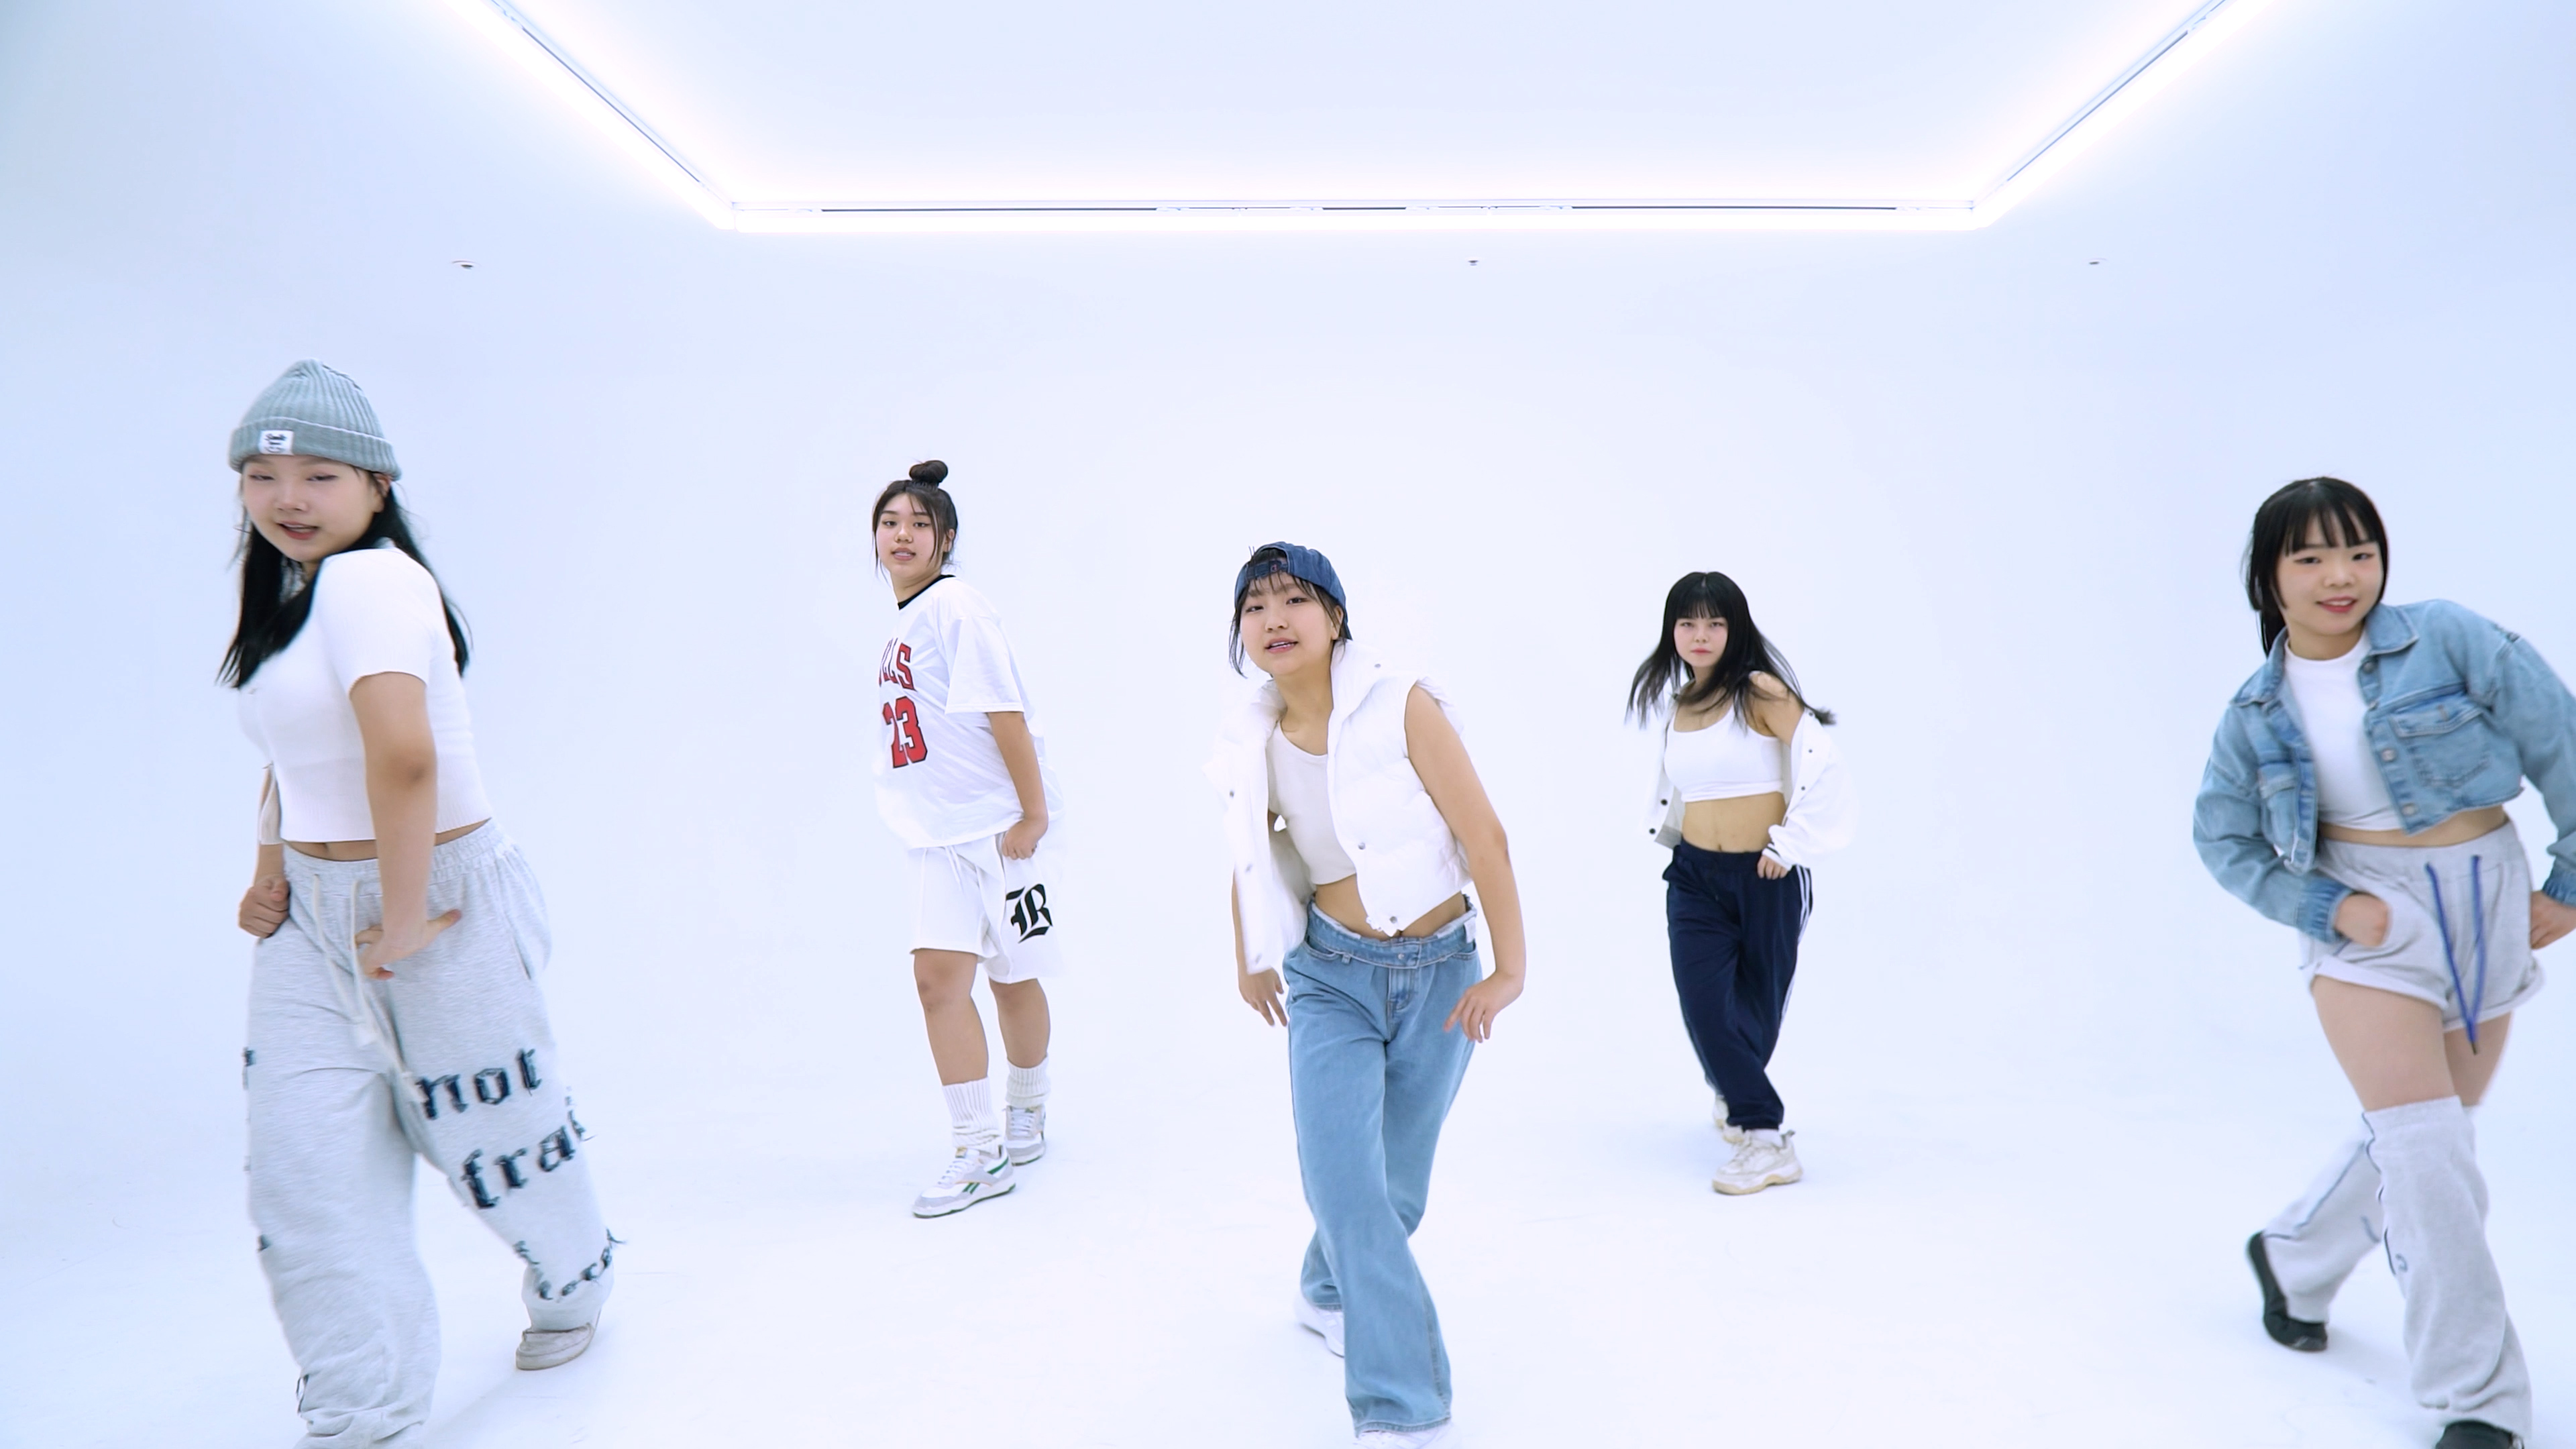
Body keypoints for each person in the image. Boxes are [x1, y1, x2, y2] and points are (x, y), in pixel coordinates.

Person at [227, 361, 616, 1448]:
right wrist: (268, 867)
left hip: (436, 895)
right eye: (263, 476)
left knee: (498, 1147)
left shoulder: (372, 584)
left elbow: (404, 762)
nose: (287, 499)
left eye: (320, 476)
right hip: (311, 917)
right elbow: (290, 756)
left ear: (377, 486)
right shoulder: (295, 595)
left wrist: (401, 920)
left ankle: (575, 1278)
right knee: (306, 1173)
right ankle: (360, 1411)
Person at [2194, 477, 2576, 1449]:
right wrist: (2325, 907)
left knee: (2430, 1143)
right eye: (2312, 557)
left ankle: (2293, 1259)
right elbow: (2223, 840)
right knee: (2428, 1152)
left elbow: (2563, 743)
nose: (2342, 576)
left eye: (2360, 552)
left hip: (2487, 894)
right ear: (2268, 576)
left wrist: (2570, 882)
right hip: (2369, 920)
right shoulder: (2255, 712)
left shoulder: (2448, 638)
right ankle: (2478, 1399)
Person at [1210, 543, 1526, 1449]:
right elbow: (1244, 851)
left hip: (1440, 976)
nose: (1274, 619)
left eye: (1294, 600)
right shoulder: (1250, 737)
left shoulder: (1403, 703)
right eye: (1254, 606)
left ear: (1336, 616)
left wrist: (1509, 970)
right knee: (1345, 1183)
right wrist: (1248, 956)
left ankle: (1325, 1289)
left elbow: (1485, 835)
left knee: (1395, 1190)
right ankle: (1400, 1403)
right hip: (1329, 976)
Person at [869, 460, 1065, 1218]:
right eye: (890, 523)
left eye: (920, 524)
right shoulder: (907, 621)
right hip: (938, 838)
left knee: (1014, 979)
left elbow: (1003, 710)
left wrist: (1033, 815)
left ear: (946, 540)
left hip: (999, 829)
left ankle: (1028, 1107)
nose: (903, 534)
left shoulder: (956, 606)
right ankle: (979, 1151)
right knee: (937, 983)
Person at [1628, 571, 1853, 1195]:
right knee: (1703, 1004)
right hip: (1695, 876)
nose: (1700, 635)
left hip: (1765, 875)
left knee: (1755, 1009)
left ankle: (1739, 1097)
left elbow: (1825, 764)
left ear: (1736, 629)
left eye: (1715, 623)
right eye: (1687, 623)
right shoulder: (1681, 704)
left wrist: (1789, 845)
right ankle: (1765, 1135)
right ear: (1672, 631)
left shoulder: (1758, 691)